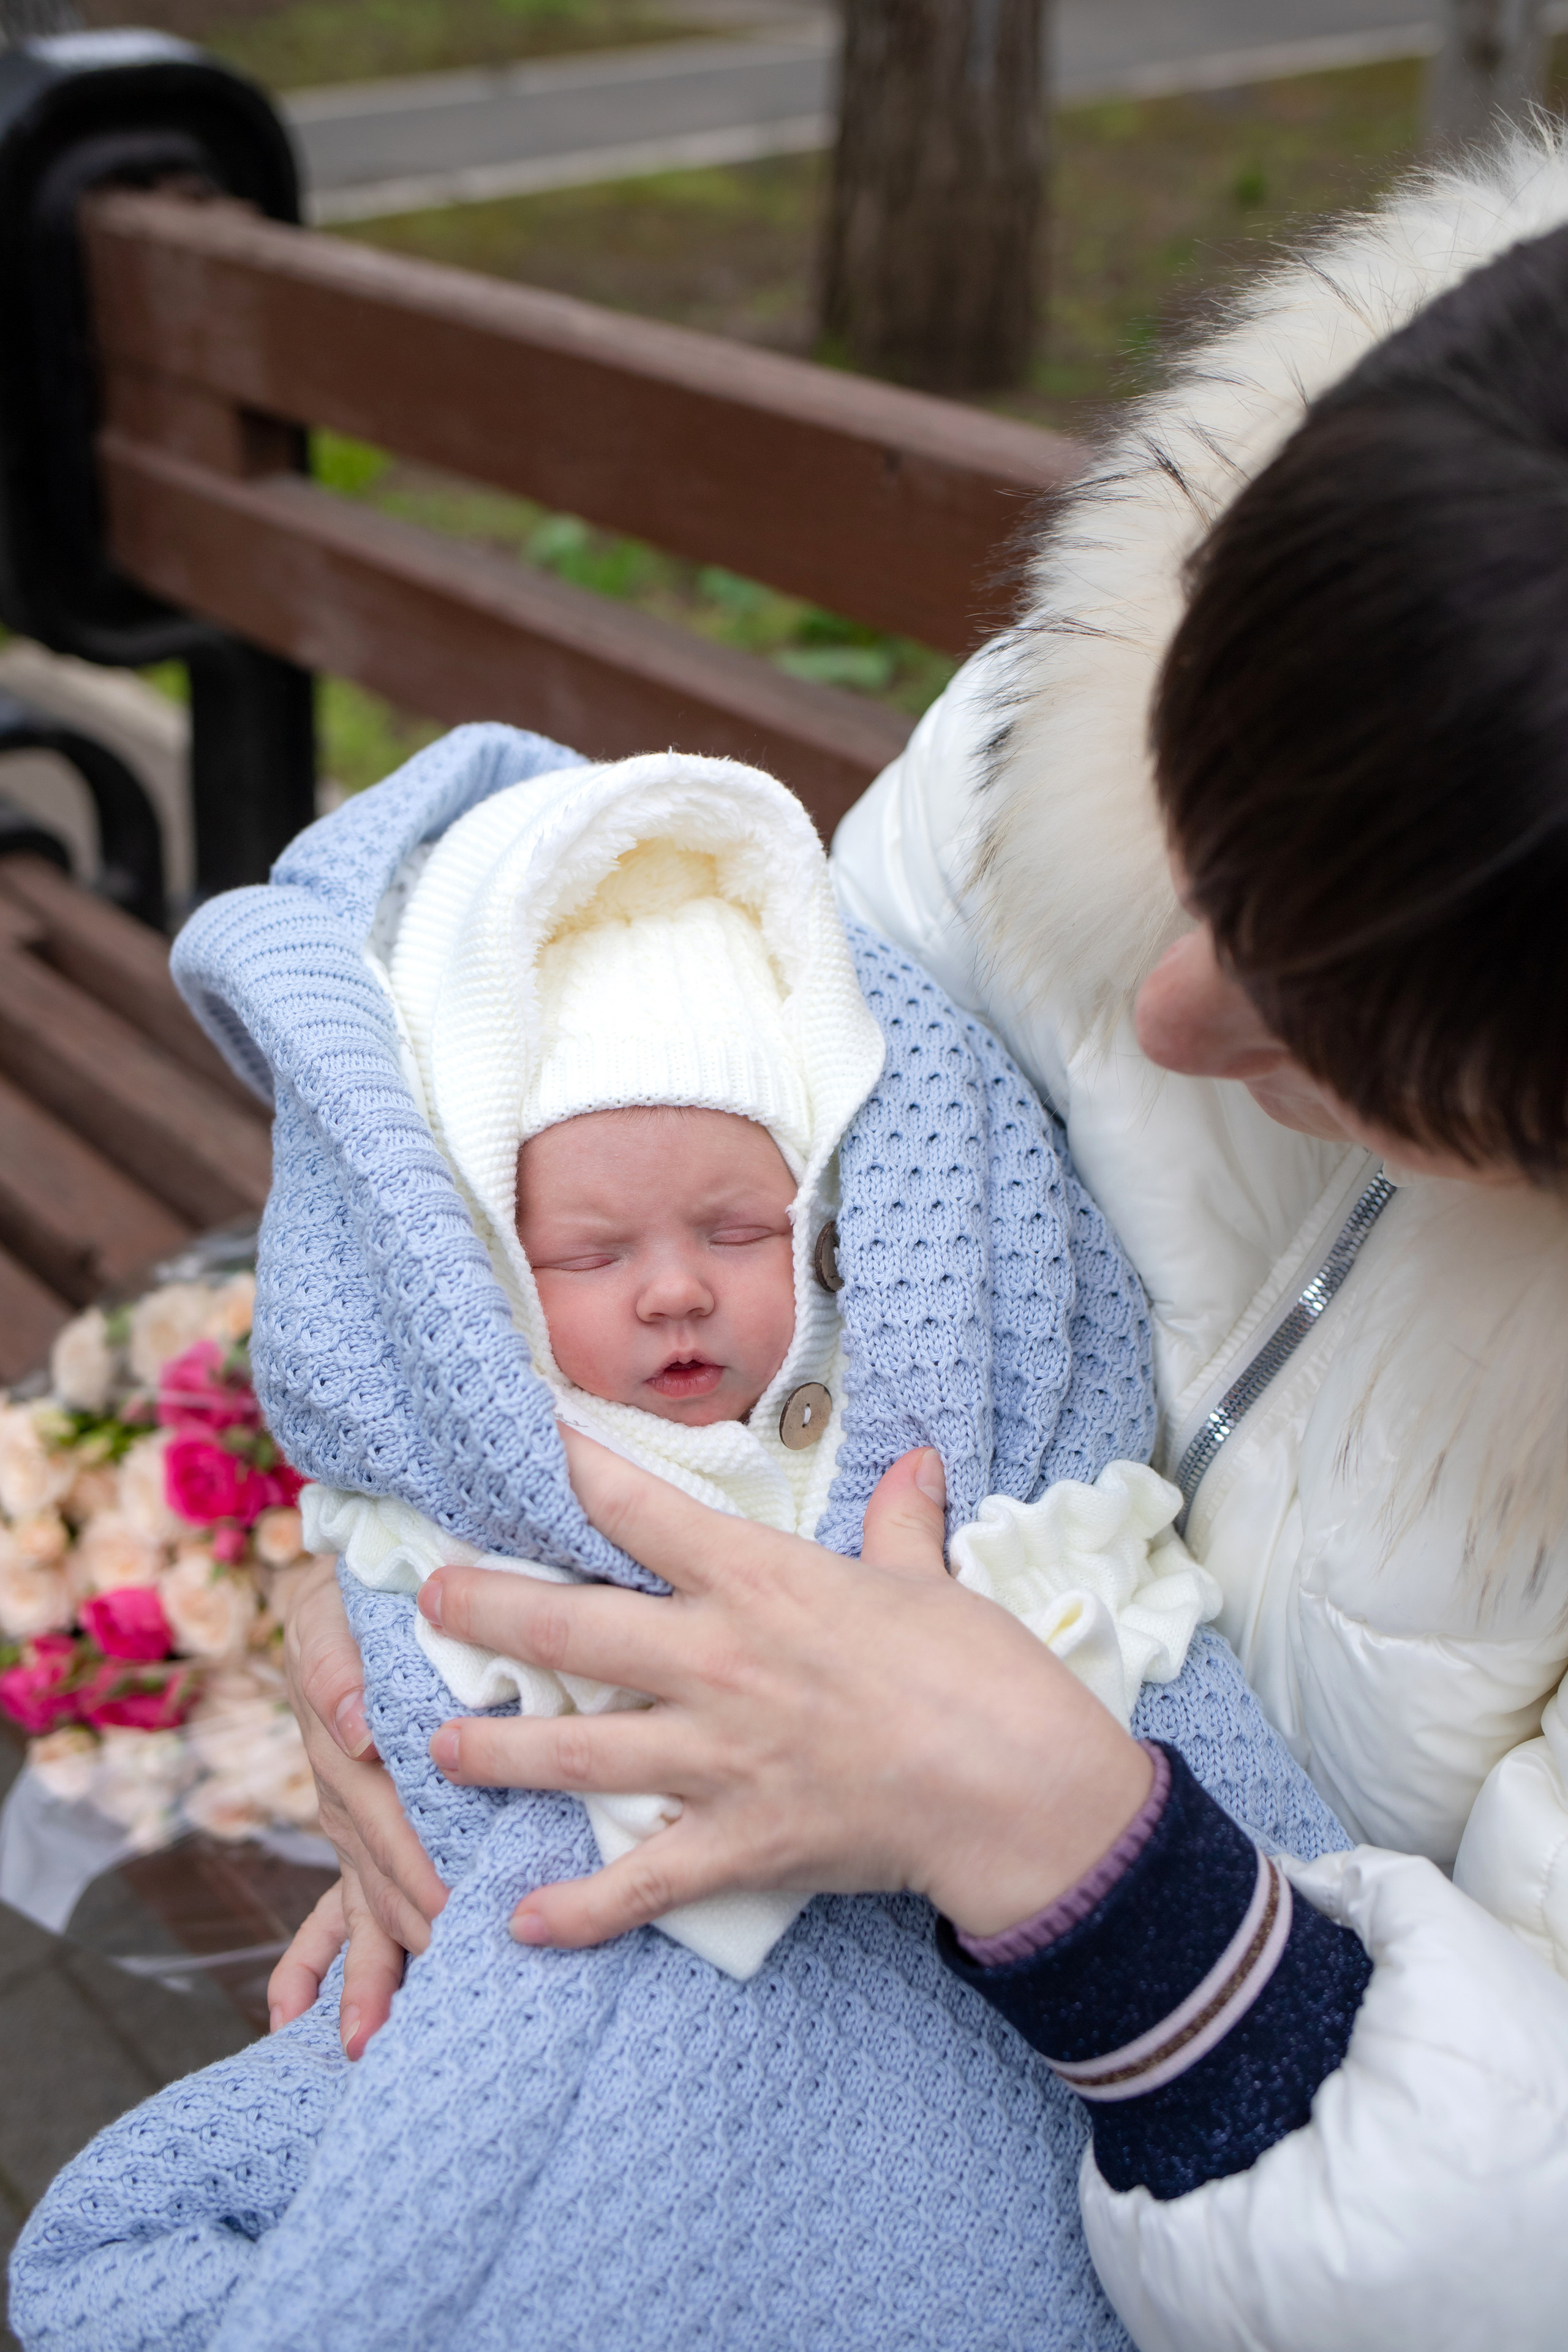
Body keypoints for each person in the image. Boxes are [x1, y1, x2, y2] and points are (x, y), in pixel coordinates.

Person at [270, 127, 1568, 2350]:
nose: (1168, 1013)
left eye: (1344, 1041)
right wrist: (395, 1551)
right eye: (1196, 845)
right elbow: (629, 1149)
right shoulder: (1180, 662)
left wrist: (1066, 1846)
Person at [9, 742, 1356, 2352]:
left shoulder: (911, 1413)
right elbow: (405, 1515)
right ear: (492, 1286)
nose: (674, 1291)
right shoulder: (521, 1420)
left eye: (739, 1231)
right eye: (589, 1255)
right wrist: (356, 1583)